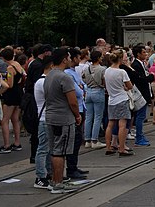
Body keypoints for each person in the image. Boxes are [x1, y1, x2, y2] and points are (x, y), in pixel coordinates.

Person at [43, 47, 82, 194]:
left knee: (54, 150)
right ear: (64, 59)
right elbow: (72, 101)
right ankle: (58, 183)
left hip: (50, 116)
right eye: (69, 57)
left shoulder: (49, 75)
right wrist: (77, 115)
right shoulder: (64, 77)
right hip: (63, 118)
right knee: (60, 151)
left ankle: (54, 180)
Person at [63, 48, 88, 180]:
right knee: (75, 139)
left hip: (81, 107)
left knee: (78, 139)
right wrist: (82, 88)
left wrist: (82, 87)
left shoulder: (74, 72)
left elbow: (84, 86)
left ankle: (74, 166)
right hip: (76, 109)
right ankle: (71, 169)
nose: (80, 59)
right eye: (78, 57)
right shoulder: (68, 73)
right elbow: (78, 91)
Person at [104, 50, 133, 157]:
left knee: (110, 124)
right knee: (122, 124)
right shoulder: (122, 72)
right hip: (121, 98)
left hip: (111, 100)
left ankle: (108, 147)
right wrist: (124, 87)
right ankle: (121, 148)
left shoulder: (107, 71)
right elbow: (129, 86)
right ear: (120, 59)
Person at [0, 47, 24, 153]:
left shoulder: (9, 68)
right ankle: (17, 143)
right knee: (15, 119)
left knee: (5, 120)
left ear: (3, 58)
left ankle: (6, 145)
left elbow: (9, 85)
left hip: (11, 95)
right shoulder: (17, 64)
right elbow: (20, 77)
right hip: (18, 93)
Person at [32, 59, 53, 190]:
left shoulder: (42, 81)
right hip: (45, 118)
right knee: (43, 148)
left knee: (48, 148)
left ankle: (47, 173)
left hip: (47, 118)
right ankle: (40, 177)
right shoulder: (43, 82)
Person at [128, 45, 154, 147]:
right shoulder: (136, 65)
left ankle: (140, 135)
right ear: (138, 54)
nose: (146, 54)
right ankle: (139, 137)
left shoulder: (141, 64)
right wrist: (150, 77)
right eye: (143, 52)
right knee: (140, 116)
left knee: (140, 116)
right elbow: (140, 79)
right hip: (141, 93)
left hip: (144, 92)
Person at [81, 50, 107, 149]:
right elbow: (104, 81)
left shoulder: (87, 68)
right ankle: (94, 140)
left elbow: (83, 79)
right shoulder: (102, 69)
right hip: (98, 91)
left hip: (89, 92)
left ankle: (87, 139)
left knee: (88, 117)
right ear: (98, 58)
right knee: (98, 117)